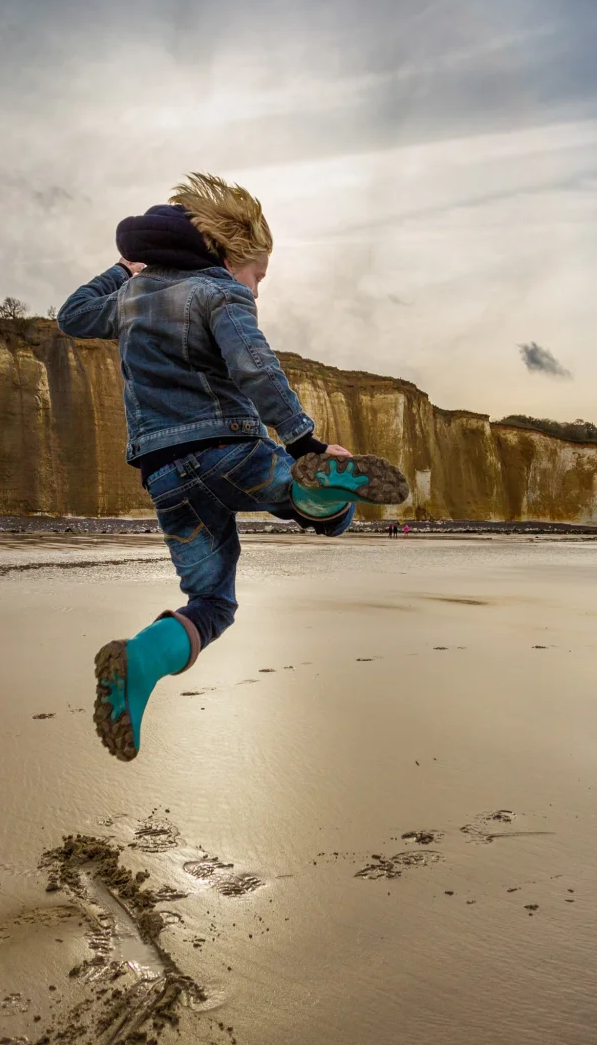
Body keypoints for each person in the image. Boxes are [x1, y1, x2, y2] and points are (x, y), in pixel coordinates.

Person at [58, 173, 410, 761]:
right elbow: (256, 369)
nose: (256, 289)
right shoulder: (219, 292)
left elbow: (72, 315)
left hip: (166, 475)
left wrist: (123, 269)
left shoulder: (127, 300)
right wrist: (305, 445)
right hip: (229, 448)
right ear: (225, 254)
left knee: (213, 603)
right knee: (323, 512)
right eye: (258, 275)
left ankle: (139, 662)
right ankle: (321, 492)